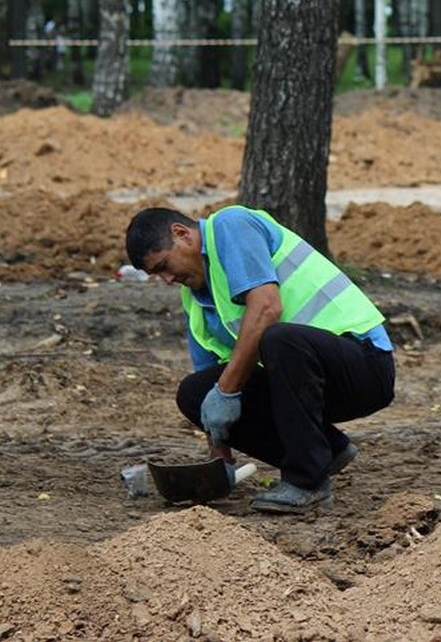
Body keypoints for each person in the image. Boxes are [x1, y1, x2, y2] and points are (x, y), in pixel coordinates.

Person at [125, 205, 395, 514]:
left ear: (182, 234)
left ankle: (308, 482)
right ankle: (327, 451)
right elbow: (215, 383)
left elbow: (267, 307)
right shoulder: (195, 300)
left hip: (363, 365)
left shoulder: (230, 226)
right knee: (195, 393)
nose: (168, 279)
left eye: (164, 265)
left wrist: (226, 391)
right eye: (157, 274)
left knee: (277, 338)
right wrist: (219, 456)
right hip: (301, 382)